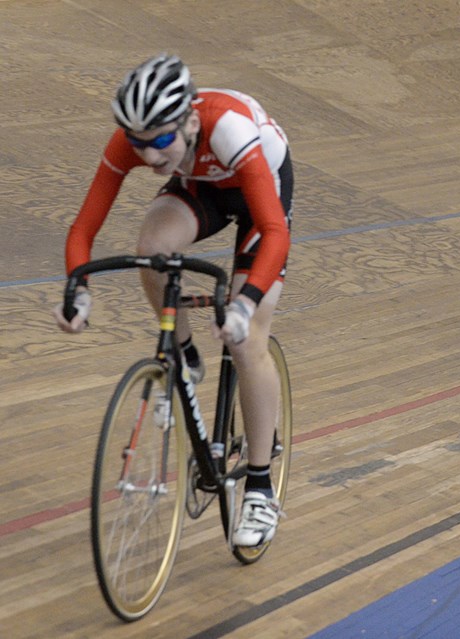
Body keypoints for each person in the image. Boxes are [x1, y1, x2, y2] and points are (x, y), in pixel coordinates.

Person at [52, 53, 293, 547]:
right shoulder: (139, 140)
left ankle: (260, 489)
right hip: (201, 184)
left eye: (162, 140)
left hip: (257, 193)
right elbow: (84, 226)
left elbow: (273, 232)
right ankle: (185, 357)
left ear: (187, 119)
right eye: (140, 143)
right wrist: (78, 291)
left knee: (249, 344)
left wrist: (246, 304)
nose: (150, 155)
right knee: (152, 252)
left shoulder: (229, 128)